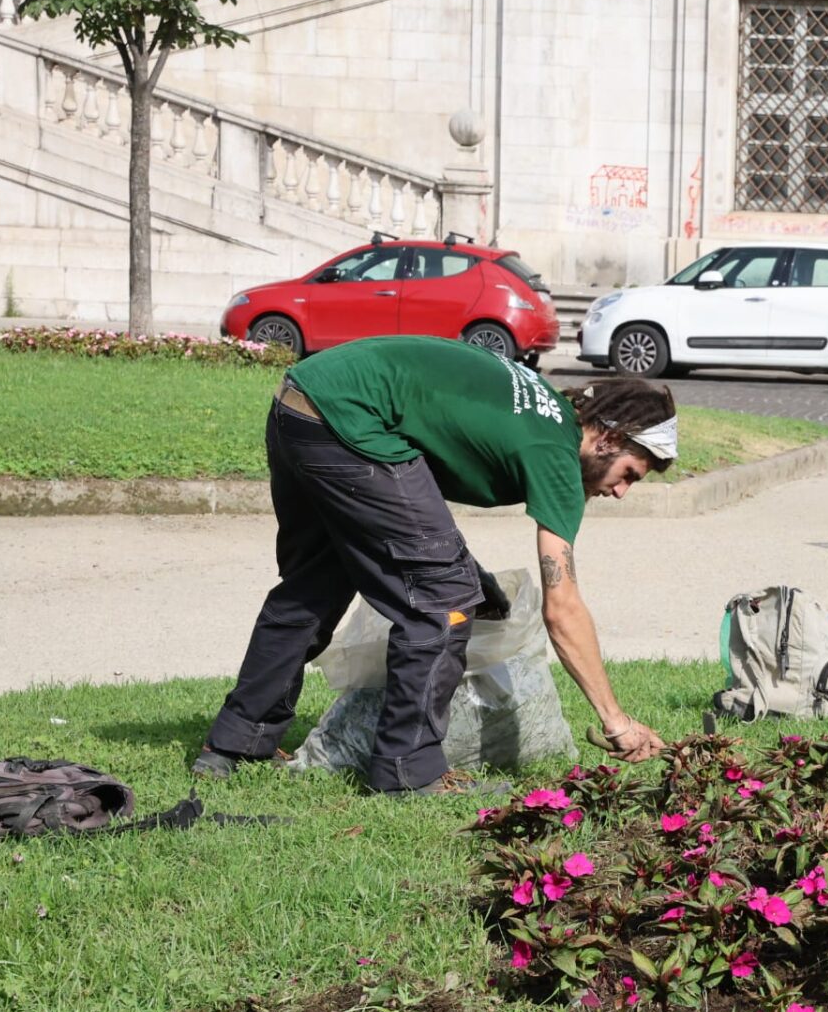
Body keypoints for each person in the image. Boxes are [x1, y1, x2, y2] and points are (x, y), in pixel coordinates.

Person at [194, 335, 673, 794]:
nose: (620, 491)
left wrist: (471, 573)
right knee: (443, 604)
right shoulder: (557, 454)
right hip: (353, 421)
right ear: (610, 438)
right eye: (629, 474)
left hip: (302, 400)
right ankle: (408, 772)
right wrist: (616, 721)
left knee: (314, 585)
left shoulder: (544, 409)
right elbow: (562, 607)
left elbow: (411, 503)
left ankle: (235, 744)